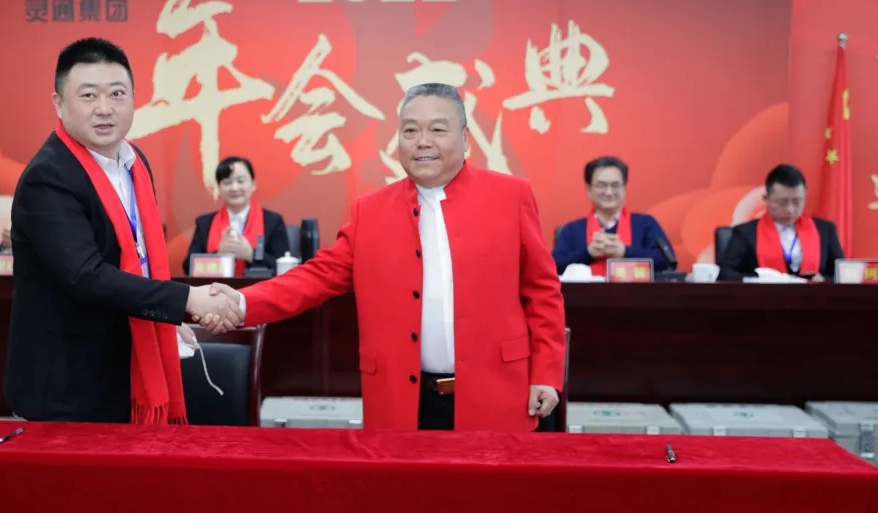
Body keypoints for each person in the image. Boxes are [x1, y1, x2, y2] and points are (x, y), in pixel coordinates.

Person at [205, 83, 566, 431]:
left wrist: (547, 373)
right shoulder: (371, 211)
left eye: (438, 129)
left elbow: (543, 291)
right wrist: (240, 302)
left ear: (466, 138)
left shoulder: (510, 196)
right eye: (410, 130)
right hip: (404, 405)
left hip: (498, 397)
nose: (422, 141)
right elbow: (314, 277)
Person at [4, 37, 242, 424]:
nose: (104, 108)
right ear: (59, 104)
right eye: (88, 95)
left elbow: (139, 261)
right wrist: (186, 300)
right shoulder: (48, 177)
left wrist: (165, 319)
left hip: (121, 368)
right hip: (66, 386)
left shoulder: (134, 163)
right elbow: (86, 276)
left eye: (117, 94)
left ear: (133, 99)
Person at [718, 164, 844, 281]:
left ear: (805, 196)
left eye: (797, 202)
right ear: (766, 199)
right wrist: (759, 279)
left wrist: (823, 280)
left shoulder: (825, 230)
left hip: (813, 296)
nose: (790, 210)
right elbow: (724, 273)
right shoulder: (746, 233)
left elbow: (842, 274)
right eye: (782, 203)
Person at [552, 156, 673, 275]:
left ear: (624, 188)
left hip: (635, 289)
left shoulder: (645, 224)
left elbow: (668, 261)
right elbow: (554, 266)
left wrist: (624, 252)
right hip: (588, 289)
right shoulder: (572, 230)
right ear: (588, 189)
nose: (609, 192)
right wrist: (588, 253)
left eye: (615, 185)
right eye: (602, 185)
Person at [182, 156, 291, 275]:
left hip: (259, 286)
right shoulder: (204, 223)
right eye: (227, 182)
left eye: (240, 181)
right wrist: (218, 255)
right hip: (215, 286)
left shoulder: (273, 221)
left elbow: (284, 268)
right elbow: (189, 267)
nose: (234, 188)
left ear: (253, 185)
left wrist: (251, 255)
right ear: (219, 188)